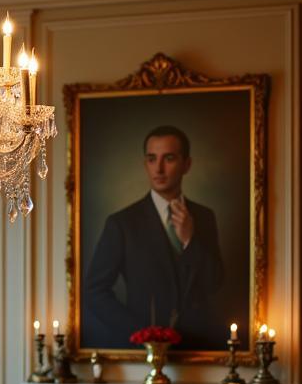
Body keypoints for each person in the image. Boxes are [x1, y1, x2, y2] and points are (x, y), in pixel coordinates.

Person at [84, 125, 224, 351]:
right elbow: (94, 292)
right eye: (151, 159)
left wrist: (190, 242)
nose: (158, 169)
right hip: (143, 352)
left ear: (187, 164)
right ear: (145, 164)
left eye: (168, 158)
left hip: (201, 349)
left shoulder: (204, 217)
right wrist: (140, 333)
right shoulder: (122, 223)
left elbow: (214, 283)